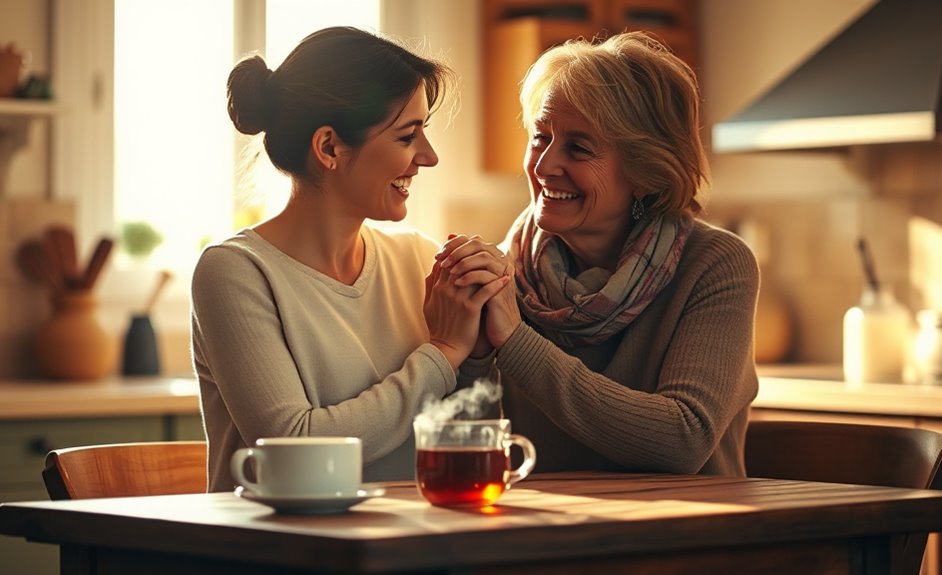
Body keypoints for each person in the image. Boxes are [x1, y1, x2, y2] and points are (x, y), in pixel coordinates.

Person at [192, 26, 508, 492]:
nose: (429, 157)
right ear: (329, 148)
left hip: (415, 535)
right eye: (407, 136)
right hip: (281, 538)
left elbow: (464, 447)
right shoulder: (235, 272)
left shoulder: (422, 259)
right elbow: (295, 448)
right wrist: (442, 354)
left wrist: (476, 356)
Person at [438, 31, 759, 475]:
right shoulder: (503, 274)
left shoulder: (713, 264)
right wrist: (471, 360)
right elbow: (467, 455)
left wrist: (515, 342)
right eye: (540, 137)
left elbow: (684, 440)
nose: (544, 166)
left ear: (646, 173)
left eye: (578, 148)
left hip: (685, 518)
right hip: (544, 519)